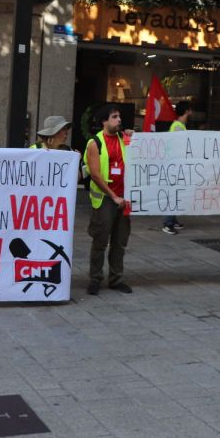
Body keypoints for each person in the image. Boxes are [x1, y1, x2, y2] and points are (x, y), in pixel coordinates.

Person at [85, 104, 132, 295]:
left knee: (120, 241)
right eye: (114, 117)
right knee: (100, 241)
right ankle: (95, 278)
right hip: (105, 199)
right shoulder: (94, 143)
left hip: (123, 199)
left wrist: (133, 134)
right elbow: (96, 175)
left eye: (119, 117)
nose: (119, 120)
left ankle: (116, 278)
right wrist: (113, 197)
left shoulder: (125, 139)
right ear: (104, 121)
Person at [162, 100, 193, 235]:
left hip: (176, 165)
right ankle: (168, 224)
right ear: (187, 111)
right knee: (173, 195)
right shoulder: (178, 127)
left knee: (176, 193)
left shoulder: (178, 125)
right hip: (175, 166)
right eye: (191, 109)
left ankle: (173, 220)